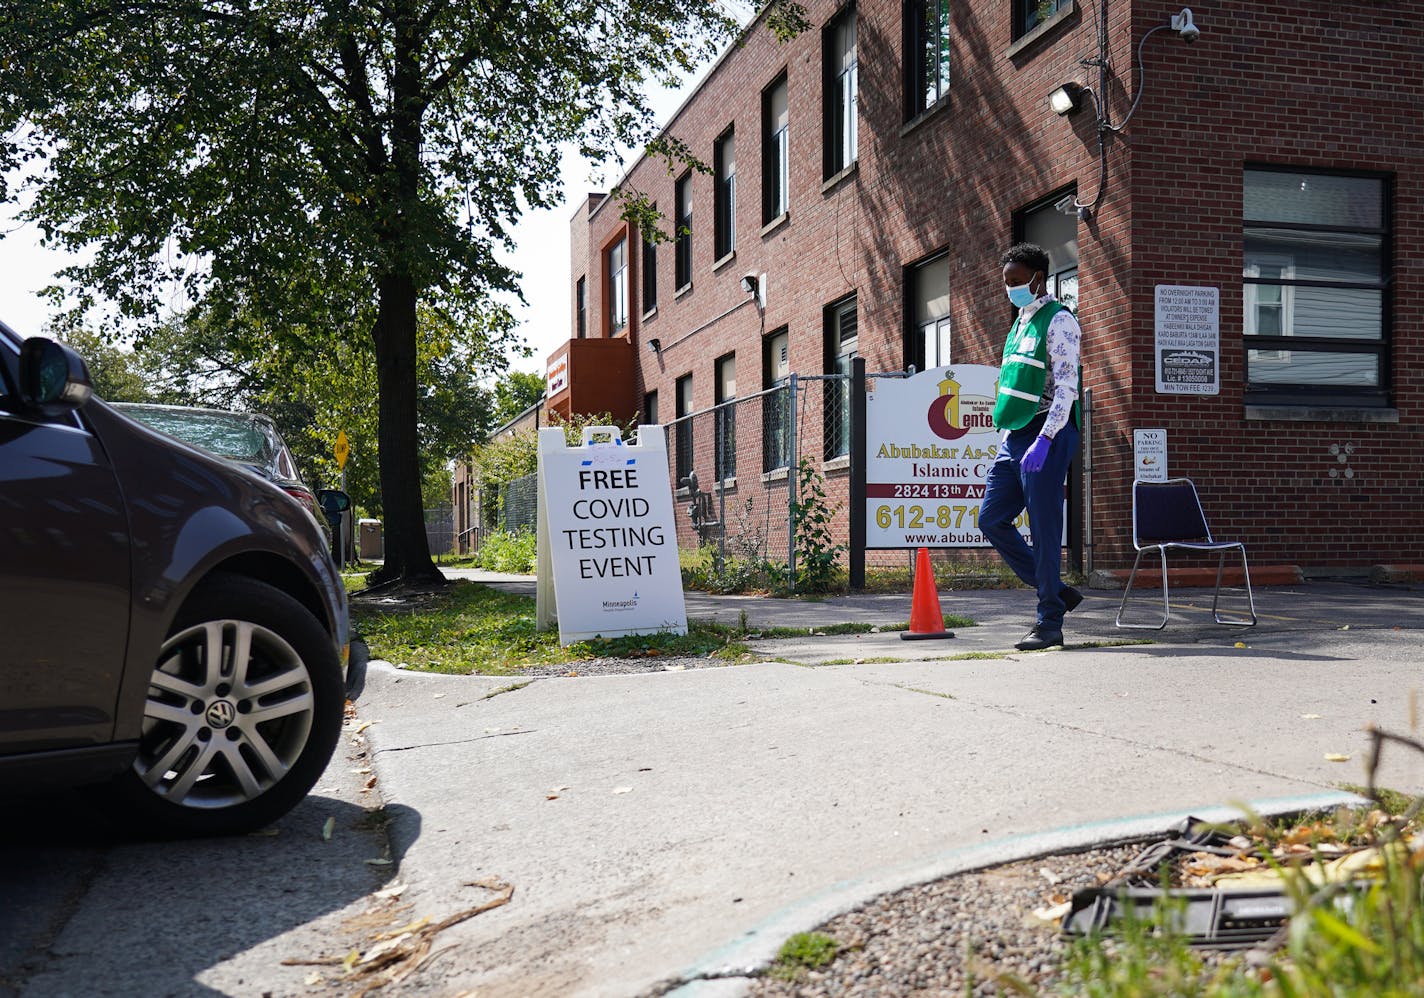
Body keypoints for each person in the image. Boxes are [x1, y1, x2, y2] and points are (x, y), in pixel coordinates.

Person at [980, 242, 1083, 651]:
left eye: (1017, 282)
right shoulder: (1021, 322)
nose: (1010, 289)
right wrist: (1009, 439)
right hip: (1016, 435)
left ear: (1038, 279)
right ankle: (1055, 588)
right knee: (991, 519)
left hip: (1048, 434)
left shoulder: (1060, 322)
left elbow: (1066, 390)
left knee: (1043, 529)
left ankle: (1049, 622)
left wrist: (1045, 440)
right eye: (1006, 282)